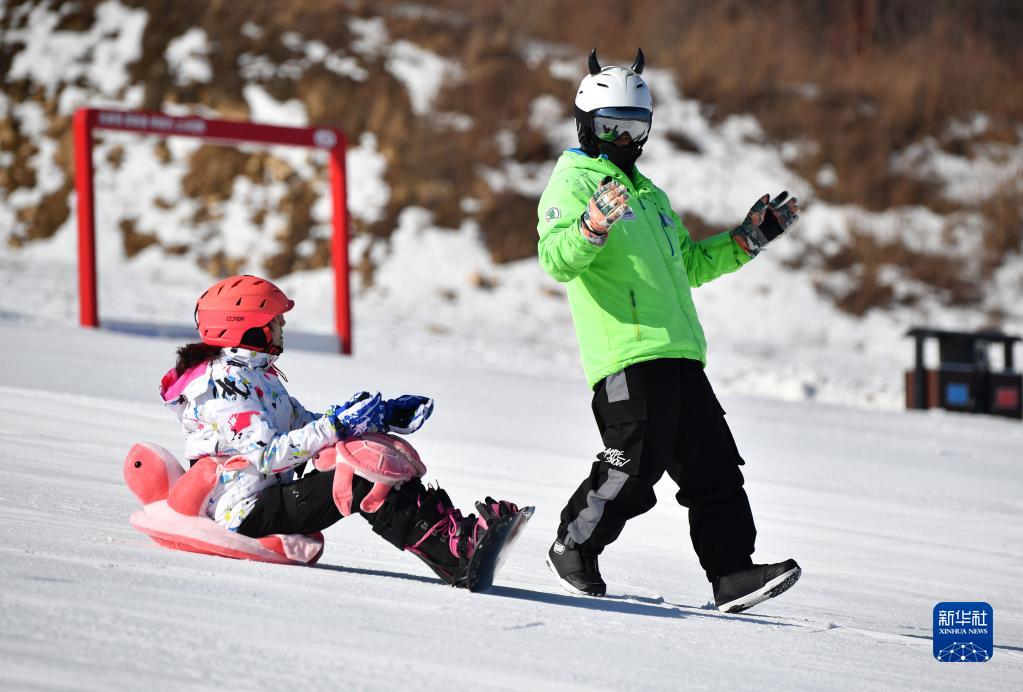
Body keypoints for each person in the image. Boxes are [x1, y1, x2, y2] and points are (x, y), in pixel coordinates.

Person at [536, 48, 802, 613]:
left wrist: (747, 239)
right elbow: (556, 259)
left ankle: (731, 572)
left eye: (635, 128)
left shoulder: (651, 197)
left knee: (716, 470)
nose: (623, 139)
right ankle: (574, 545)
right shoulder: (573, 184)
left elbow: (690, 266)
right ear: (585, 123)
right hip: (627, 356)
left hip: (680, 354)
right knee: (632, 469)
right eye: (611, 126)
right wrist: (590, 227)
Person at [159, 274, 518, 585]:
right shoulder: (222, 387)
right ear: (245, 325)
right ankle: (453, 553)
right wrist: (337, 426)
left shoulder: (256, 375)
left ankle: (454, 533)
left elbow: (304, 425)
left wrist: (374, 418)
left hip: (268, 496)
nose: (282, 328)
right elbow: (269, 456)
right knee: (361, 471)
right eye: (275, 321)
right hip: (247, 511)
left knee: (365, 447)